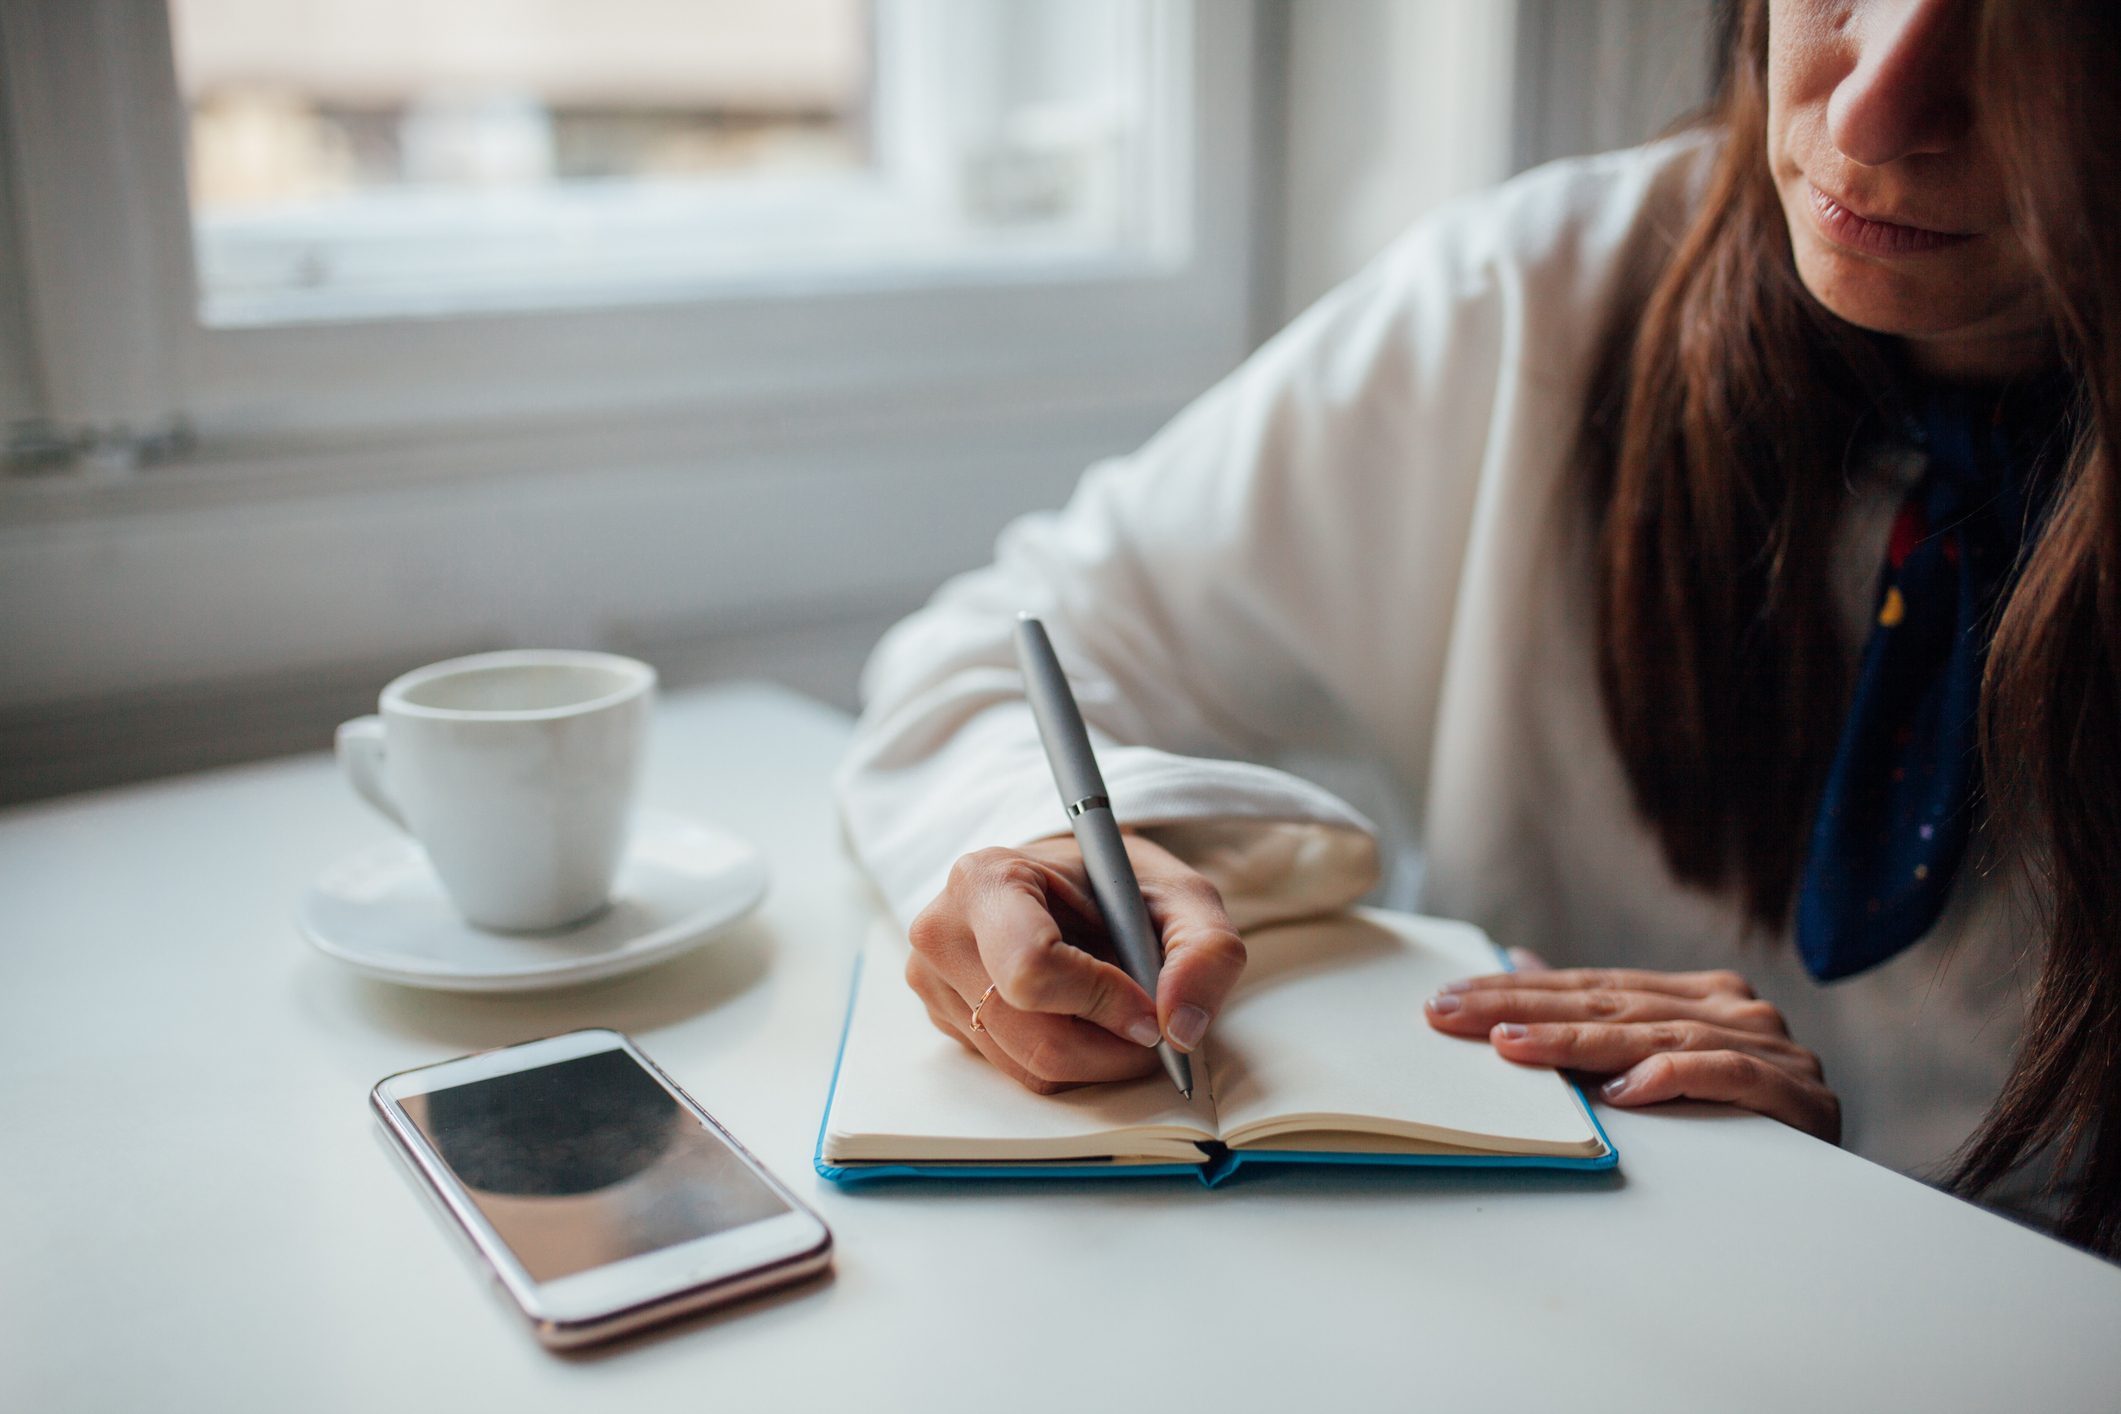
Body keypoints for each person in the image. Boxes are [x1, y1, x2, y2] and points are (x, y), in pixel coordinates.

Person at [834, 0, 2119, 1256]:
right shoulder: (1542, 296)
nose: (1876, 107)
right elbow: (991, 656)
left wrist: (1826, 1221)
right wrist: (1033, 848)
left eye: (2047, 30)